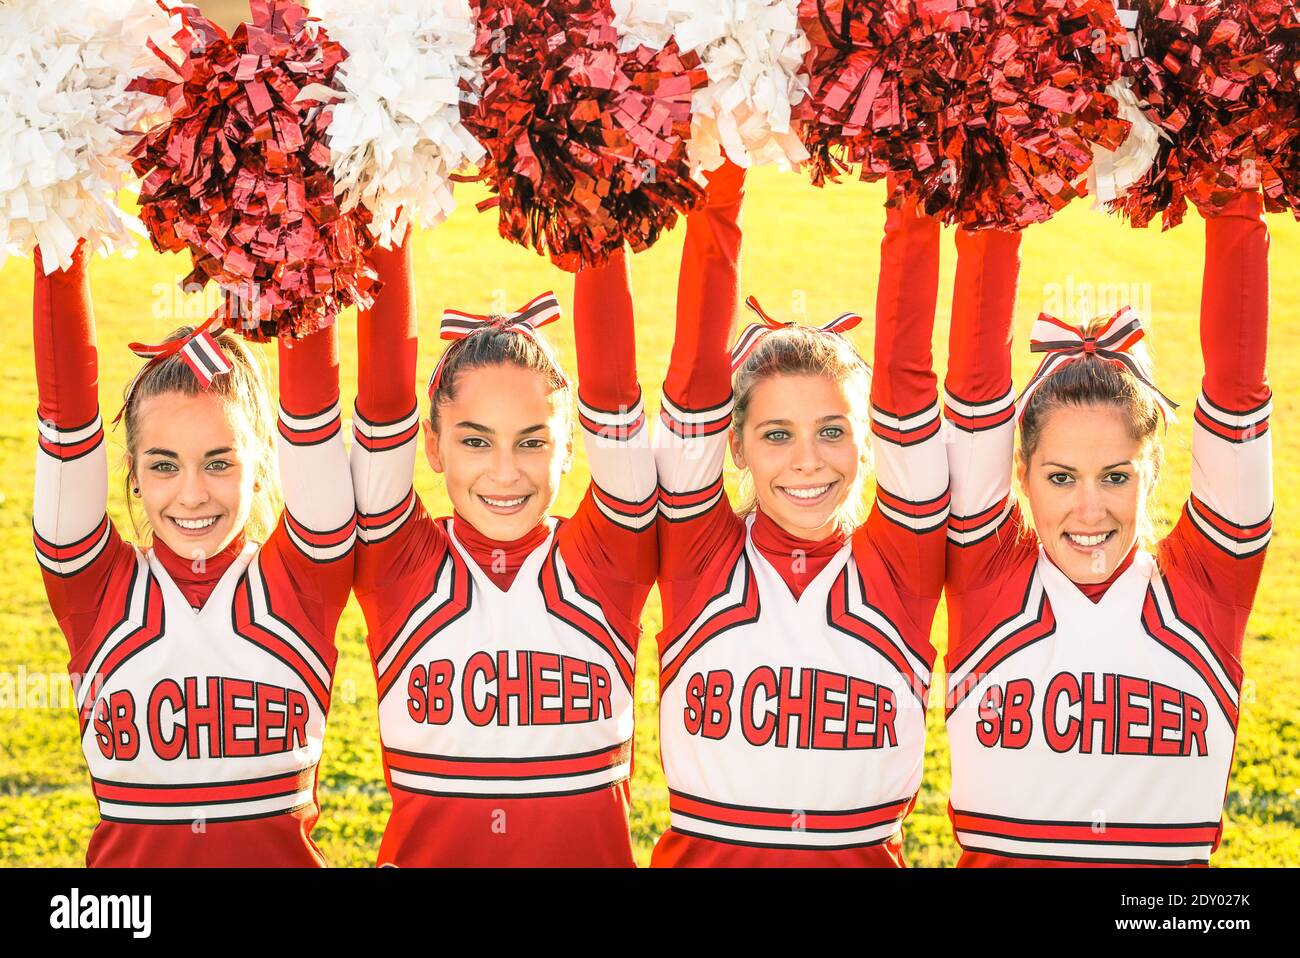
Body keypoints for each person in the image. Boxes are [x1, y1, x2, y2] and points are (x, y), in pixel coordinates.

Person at [942, 191, 1272, 866]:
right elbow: (974, 389)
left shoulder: (1207, 589)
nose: (1088, 511)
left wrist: (1234, 180)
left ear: (1153, 469)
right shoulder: (986, 576)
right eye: (1060, 478)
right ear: (1021, 473)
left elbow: (1238, 389)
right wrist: (993, 184)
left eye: (1115, 476)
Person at [650, 163, 950, 866]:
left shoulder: (901, 559)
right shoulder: (700, 551)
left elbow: (909, 375)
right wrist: (719, 167)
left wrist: (917, 167)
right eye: (777, 435)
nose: (809, 461)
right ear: (736, 445)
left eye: (833, 430)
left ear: (869, 439)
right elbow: (694, 374)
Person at [31, 243, 356, 866]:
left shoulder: (302, 581)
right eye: (163, 465)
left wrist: (300, 219)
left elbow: (314, 409)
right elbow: (65, 418)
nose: (191, 494)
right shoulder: (95, 593)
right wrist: (59, 222)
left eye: (219, 462)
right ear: (132, 475)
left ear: (262, 468)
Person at [350, 236, 657, 866]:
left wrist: (598, 213)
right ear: (431, 447)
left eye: (532, 442)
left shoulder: (609, 558)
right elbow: (381, 399)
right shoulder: (398, 564)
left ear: (572, 445)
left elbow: (613, 391)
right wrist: (389, 200)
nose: (506, 473)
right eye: (477, 442)